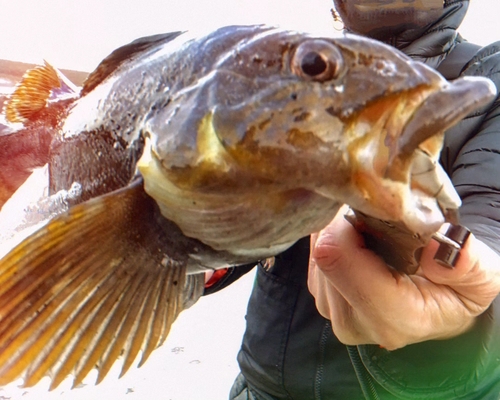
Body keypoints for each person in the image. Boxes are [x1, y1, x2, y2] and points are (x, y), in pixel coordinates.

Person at [205, 1, 500, 398]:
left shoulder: (492, 77)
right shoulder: (282, 71)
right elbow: (239, 218)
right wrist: (196, 249)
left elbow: (489, 225)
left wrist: (463, 301)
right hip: (261, 387)